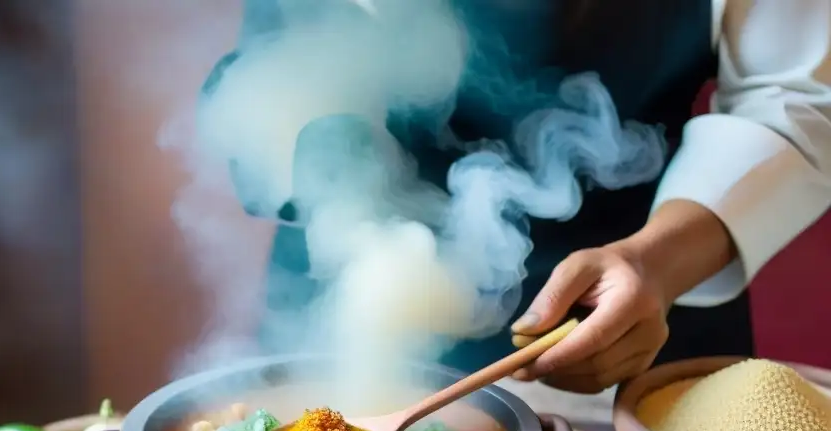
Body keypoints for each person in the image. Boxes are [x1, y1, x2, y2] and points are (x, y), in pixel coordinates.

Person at [203, 0, 831, 394]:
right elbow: (271, 75)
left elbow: (794, 103)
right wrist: (334, 171)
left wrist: (654, 264)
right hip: (334, 309)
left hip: (645, 305)